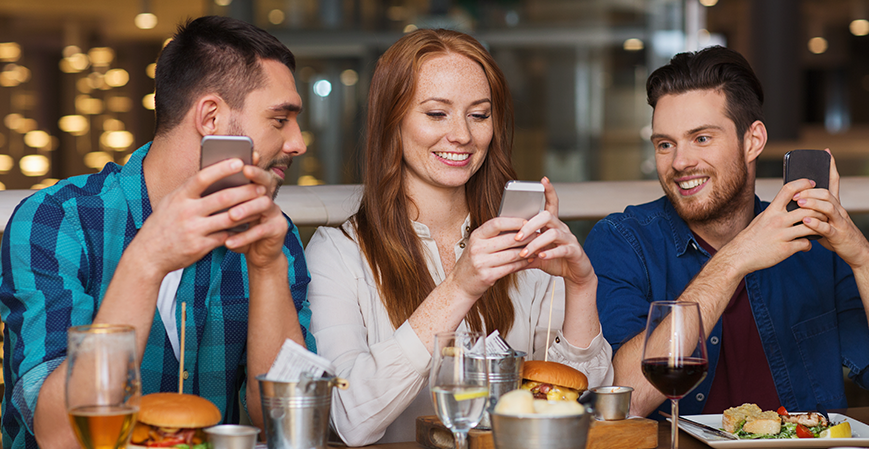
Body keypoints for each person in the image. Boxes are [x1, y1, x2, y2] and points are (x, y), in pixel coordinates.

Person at [0, 16, 313, 449]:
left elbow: (284, 424)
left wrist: (267, 270)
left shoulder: (274, 237)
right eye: (280, 120)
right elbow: (62, 435)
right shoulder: (55, 220)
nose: (298, 142)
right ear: (210, 117)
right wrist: (147, 261)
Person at [305, 28, 614, 446]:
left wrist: (580, 286)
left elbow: (585, 404)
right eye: (436, 113)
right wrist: (460, 287)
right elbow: (349, 421)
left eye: (479, 114)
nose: (462, 136)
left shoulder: (521, 240)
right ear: (391, 122)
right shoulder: (337, 253)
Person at [585, 46, 869, 419]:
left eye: (701, 138)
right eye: (665, 144)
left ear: (752, 141)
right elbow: (625, 402)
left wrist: (862, 257)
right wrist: (734, 260)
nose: (680, 162)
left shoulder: (816, 246)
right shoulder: (622, 241)